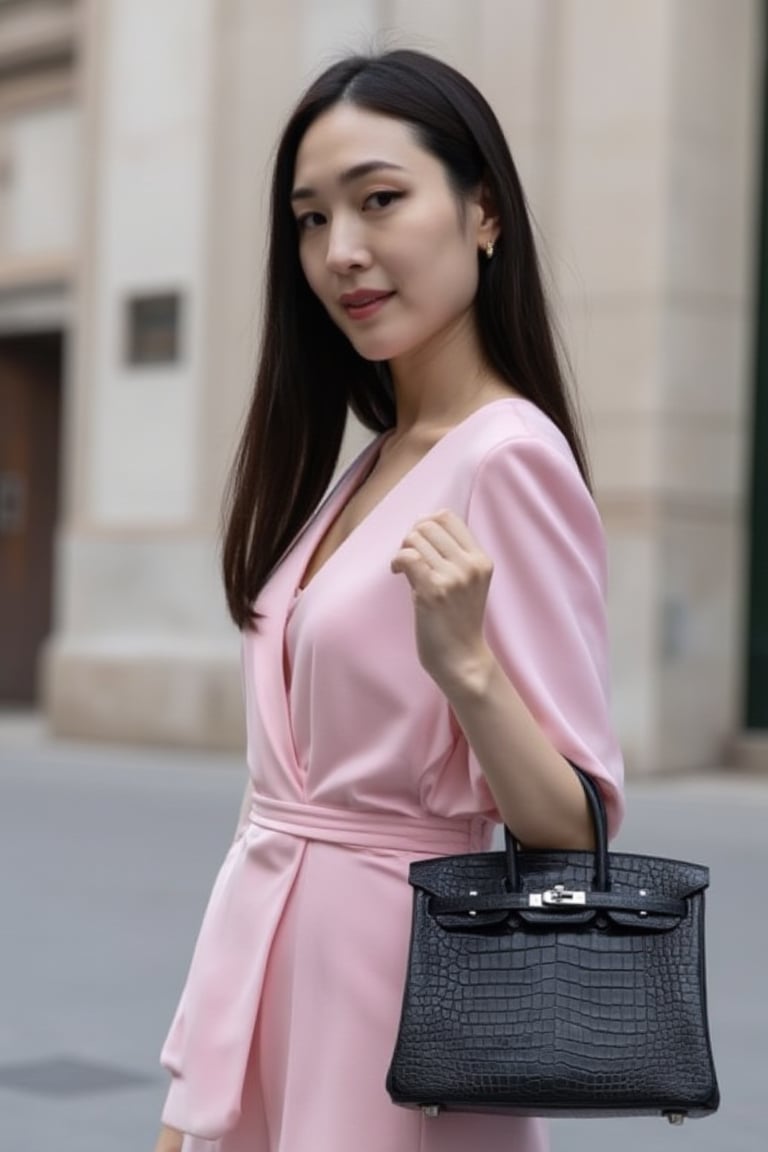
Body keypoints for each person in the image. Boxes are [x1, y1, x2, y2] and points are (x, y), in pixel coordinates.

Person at [153, 48, 624, 1152]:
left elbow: (575, 820)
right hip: (268, 982)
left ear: (484, 214)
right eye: (311, 220)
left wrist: (465, 665)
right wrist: (192, 1092)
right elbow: (271, 818)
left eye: (379, 200)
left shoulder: (507, 457)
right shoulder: (371, 464)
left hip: (398, 998)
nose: (341, 253)